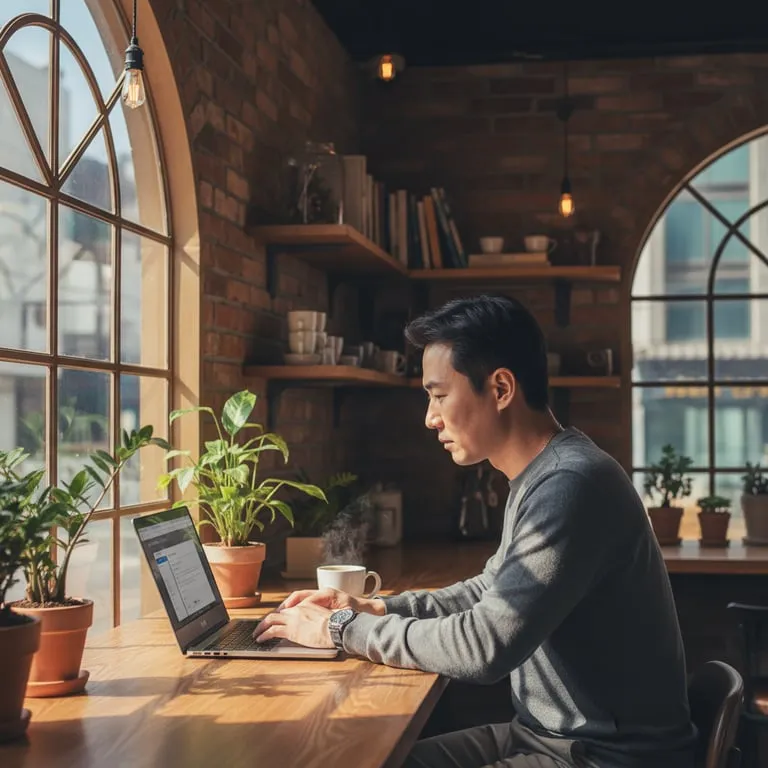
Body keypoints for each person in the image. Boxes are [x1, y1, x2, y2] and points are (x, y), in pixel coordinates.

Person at [254, 294, 696, 768]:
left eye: (439, 395)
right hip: (542, 738)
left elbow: (484, 646)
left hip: (605, 758)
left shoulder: (571, 484)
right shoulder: (544, 474)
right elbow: (490, 591)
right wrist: (373, 605)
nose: (430, 416)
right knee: (363, 759)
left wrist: (340, 629)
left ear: (501, 388)